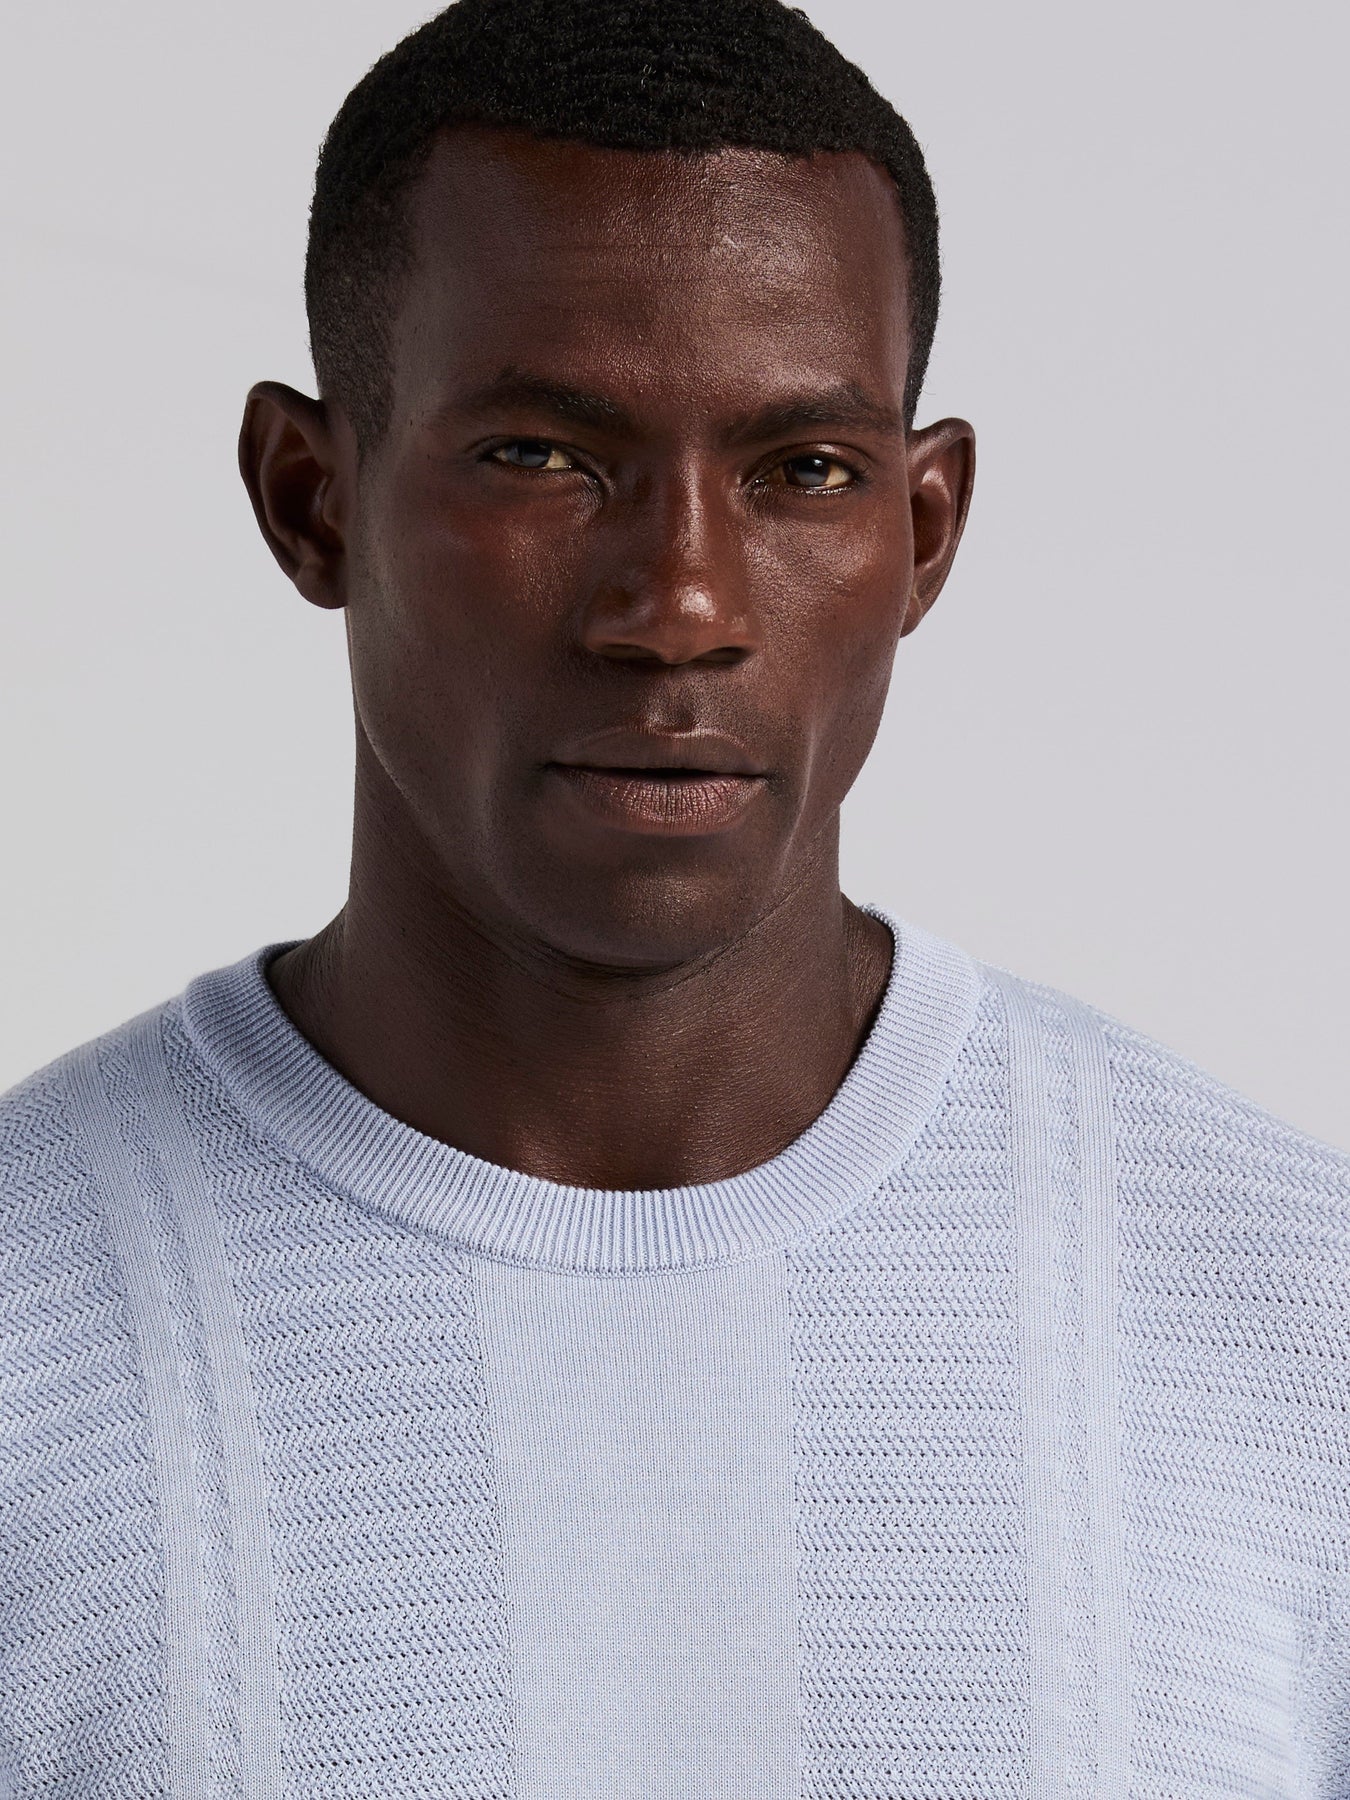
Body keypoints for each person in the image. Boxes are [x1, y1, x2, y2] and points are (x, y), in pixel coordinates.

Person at [2, 0, 1347, 1791]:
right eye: (543, 457)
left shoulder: (1295, 1327)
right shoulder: (31, 1322)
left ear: (923, 530)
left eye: (802, 472)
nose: (682, 605)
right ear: (310, 500)